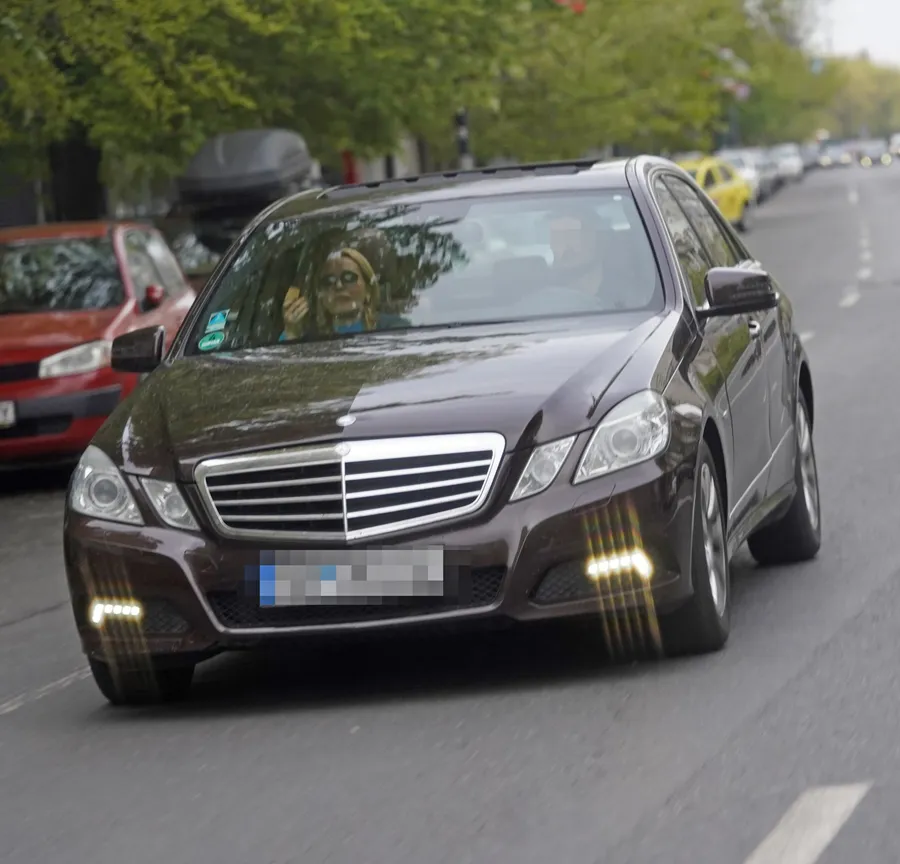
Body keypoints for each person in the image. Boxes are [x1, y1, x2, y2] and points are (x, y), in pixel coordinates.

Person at [280, 246, 401, 340]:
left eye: (349, 278)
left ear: (368, 289)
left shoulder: (394, 329)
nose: (338, 286)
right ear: (321, 296)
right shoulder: (307, 337)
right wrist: (291, 333)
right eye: (328, 281)